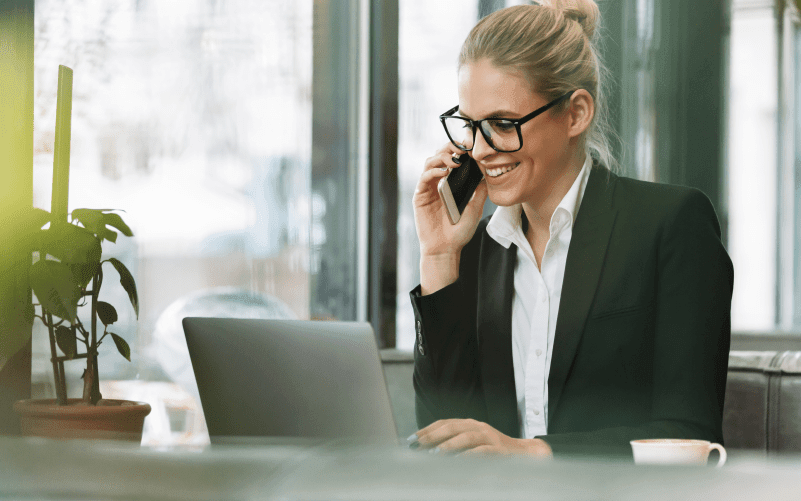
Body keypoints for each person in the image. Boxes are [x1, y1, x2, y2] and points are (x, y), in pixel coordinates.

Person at [408, 0, 733, 459]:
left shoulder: (671, 225)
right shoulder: (480, 251)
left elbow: (693, 438)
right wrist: (438, 256)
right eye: (470, 126)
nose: (480, 150)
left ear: (576, 114)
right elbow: (443, 438)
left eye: (502, 124)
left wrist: (536, 454)